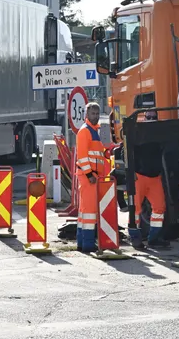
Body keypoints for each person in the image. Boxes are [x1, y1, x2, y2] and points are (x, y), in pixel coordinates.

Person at [127, 109, 171, 250]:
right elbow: (126, 150)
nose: (151, 119)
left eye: (154, 116)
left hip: (155, 177)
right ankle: (135, 238)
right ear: (144, 117)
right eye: (149, 116)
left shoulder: (160, 133)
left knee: (159, 207)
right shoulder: (138, 132)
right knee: (136, 209)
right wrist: (131, 172)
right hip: (139, 176)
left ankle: (154, 238)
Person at [75, 102, 108, 252]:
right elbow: (82, 156)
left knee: (84, 212)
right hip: (89, 176)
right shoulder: (85, 131)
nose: (95, 116)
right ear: (86, 115)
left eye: (97, 113)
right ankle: (88, 244)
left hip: (91, 175)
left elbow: (95, 154)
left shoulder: (93, 131)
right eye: (92, 113)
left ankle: (82, 242)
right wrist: (89, 175)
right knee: (89, 211)